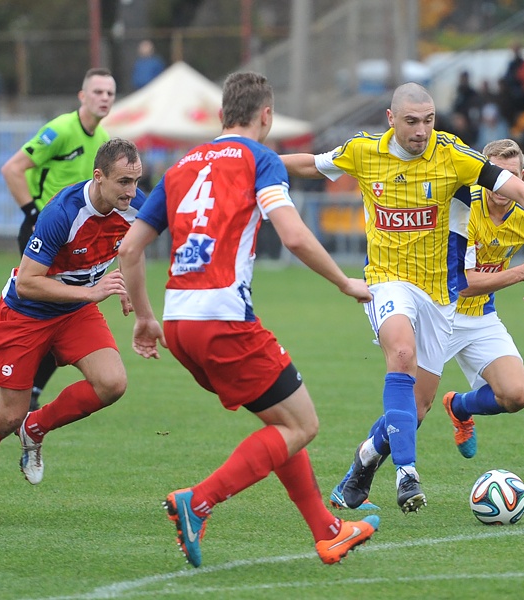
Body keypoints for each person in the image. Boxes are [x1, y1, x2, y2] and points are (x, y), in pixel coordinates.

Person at [118, 71, 380, 567]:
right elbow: (296, 236)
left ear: (220, 115)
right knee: (302, 424)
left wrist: (144, 319)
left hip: (178, 323)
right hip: (223, 319)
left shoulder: (180, 167)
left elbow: (131, 248)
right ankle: (198, 502)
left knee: (280, 420)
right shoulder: (260, 159)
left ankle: (327, 530)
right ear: (267, 116)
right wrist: (345, 283)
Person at [281, 83, 524, 513]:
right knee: (400, 351)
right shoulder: (365, 152)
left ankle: (364, 463)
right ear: (391, 118)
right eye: (413, 121)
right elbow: (310, 164)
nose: (422, 131)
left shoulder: (453, 156)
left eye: (429, 120)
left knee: (418, 410)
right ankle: (407, 475)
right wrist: (255, 164)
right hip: (386, 281)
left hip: (441, 300)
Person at [0, 139, 146, 525]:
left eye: (135, 181)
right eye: (123, 182)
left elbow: (134, 247)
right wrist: (91, 291)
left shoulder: (133, 206)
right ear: (98, 177)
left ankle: (38, 425)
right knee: (6, 418)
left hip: (75, 311)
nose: (131, 191)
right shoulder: (61, 213)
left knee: (112, 382)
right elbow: (28, 283)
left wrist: (129, 287)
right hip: (25, 315)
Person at [0, 68, 116, 413]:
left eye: (110, 93)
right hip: (44, 232)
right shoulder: (61, 129)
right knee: (51, 307)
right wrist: (32, 214)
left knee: (65, 312)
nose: (104, 98)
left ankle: (10, 364)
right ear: (82, 96)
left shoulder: (105, 138)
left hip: (73, 240)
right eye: (97, 92)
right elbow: (12, 168)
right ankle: (14, 369)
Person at [441, 138, 524, 461]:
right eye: (495, 174)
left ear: (522, 177)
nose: (502, 185)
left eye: (511, 176)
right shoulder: (464, 205)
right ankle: (355, 481)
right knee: (411, 410)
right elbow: (462, 285)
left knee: (516, 395)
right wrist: (521, 273)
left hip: (481, 317)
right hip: (439, 314)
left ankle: (459, 406)